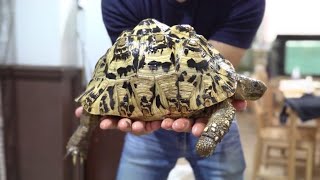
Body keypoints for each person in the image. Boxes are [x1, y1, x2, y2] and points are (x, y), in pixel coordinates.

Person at [75, 0, 265, 179]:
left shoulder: (246, 2)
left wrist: (210, 135)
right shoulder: (120, 2)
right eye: (254, 86)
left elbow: (207, 73)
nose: (258, 89)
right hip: (150, 128)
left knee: (224, 109)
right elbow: (128, 67)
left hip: (209, 120)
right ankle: (80, 135)